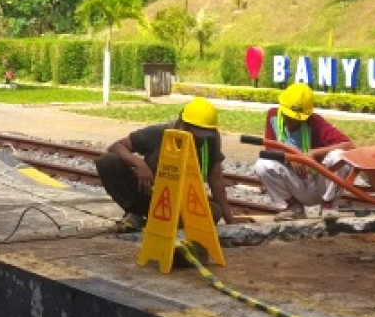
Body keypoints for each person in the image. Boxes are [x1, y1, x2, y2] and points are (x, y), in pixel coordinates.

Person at [95, 96, 252, 231]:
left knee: (214, 212)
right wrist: (139, 164)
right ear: (183, 124)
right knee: (107, 161)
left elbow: (216, 178)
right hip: (149, 194)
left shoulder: (211, 140)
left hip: (180, 203)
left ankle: (155, 222)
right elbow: (117, 147)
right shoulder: (159, 133)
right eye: (197, 132)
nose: (200, 138)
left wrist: (230, 220)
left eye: (205, 133)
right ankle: (136, 213)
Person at [253, 83, 355, 220]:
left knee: (340, 156)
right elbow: (270, 148)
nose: (291, 120)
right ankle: (293, 207)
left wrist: (313, 154)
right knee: (263, 164)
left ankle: (328, 205)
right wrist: (290, 157)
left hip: (318, 184)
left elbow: (349, 145)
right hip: (295, 184)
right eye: (288, 115)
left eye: (296, 118)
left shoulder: (315, 122)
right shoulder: (273, 116)